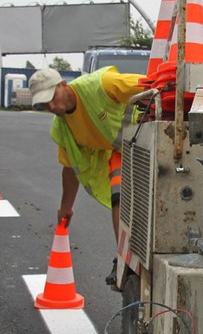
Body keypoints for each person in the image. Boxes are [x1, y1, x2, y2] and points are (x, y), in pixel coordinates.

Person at [28, 65, 145, 286]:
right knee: (120, 195)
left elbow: (152, 86)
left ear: (63, 85)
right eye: (45, 104)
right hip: (123, 153)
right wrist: (66, 207)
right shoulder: (62, 127)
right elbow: (71, 166)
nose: (52, 106)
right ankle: (123, 258)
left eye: (53, 97)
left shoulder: (102, 85)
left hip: (149, 137)